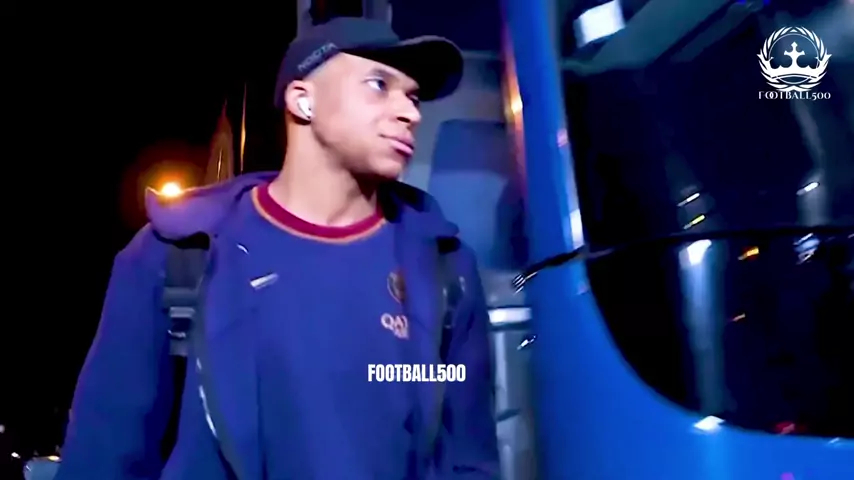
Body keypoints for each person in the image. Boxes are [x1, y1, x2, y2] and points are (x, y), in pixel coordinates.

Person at [56, 16, 499, 480]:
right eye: (379, 84)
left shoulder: (443, 270)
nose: (410, 113)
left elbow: (469, 457)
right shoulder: (177, 257)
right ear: (303, 100)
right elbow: (103, 456)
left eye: (412, 96)